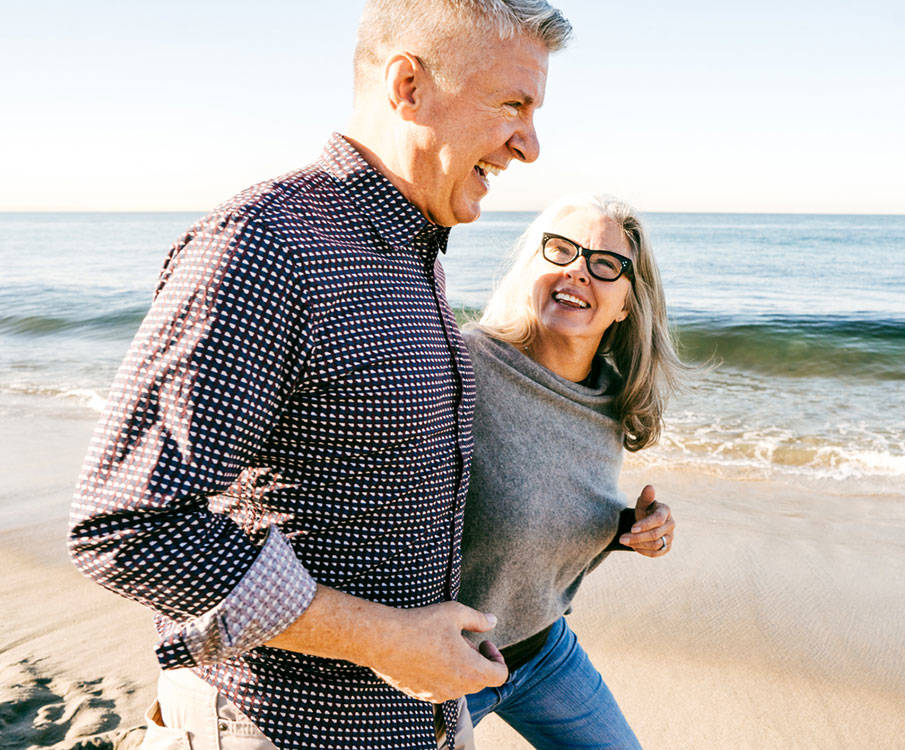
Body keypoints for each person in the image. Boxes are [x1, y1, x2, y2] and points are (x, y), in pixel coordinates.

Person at [67, 2, 572, 749]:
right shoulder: (264, 246)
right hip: (277, 727)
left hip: (418, 721)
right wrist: (383, 639)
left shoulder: (412, 253)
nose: (528, 145)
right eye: (513, 104)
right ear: (408, 85)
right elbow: (128, 528)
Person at [457, 193, 683, 749]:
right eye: (559, 251)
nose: (578, 270)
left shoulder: (610, 402)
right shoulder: (463, 367)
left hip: (543, 650)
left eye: (605, 264)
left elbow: (547, 506)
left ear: (627, 303)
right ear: (531, 267)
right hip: (450, 666)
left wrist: (632, 528)